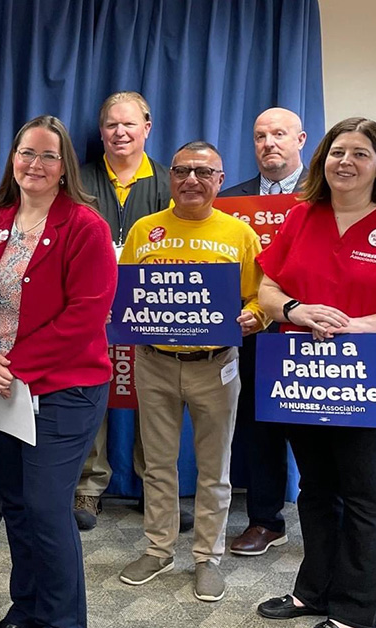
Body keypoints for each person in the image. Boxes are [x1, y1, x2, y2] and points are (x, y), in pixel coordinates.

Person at [255, 117, 376, 628]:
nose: (346, 162)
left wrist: (359, 325)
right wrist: (295, 309)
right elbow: (268, 291)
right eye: (338, 152)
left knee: (364, 495)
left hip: (374, 382)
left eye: (360, 153)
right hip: (304, 379)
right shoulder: (302, 217)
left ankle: (358, 612)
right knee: (316, 490)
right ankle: (313, 592)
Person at [0, 115, 116, 628]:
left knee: (46, 507)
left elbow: (85, 315)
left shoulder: (85, 226)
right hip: (0, 386)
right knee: (15, 503)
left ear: (63, 167)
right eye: (26, 153)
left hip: (64, 388)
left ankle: (61, 620)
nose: (35, 163)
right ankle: (26, 608)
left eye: (48, 155)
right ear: (12, 160)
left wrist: (14, 365)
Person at [116, 141, 267, 603]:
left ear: (220, 180)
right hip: (155, 362)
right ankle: (159, 549)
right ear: (170, 177)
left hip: (215, 364)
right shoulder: (145, 230)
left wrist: (255, 316)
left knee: (213, 469)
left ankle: (207, 557)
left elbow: (261, 297)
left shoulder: (239, 234)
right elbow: (125, 290)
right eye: (182, 171)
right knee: (158, 464)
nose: (191, 180)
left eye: (204, 173)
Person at [75, 91, 178, 531]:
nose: (120, 132)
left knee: (154, 399)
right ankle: (88, 490)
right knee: (91, 393)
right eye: (112, 125)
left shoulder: (171, 181)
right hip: (90, 310)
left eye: (129, 124)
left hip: (152, 310)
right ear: (101, 132)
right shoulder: (78, 178)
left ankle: (155, 491)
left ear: (147, 128)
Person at [220, 107, 308, 558]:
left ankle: (322, 519)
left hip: (311, 331)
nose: (268, 143)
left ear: (301, 140)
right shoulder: (230, 202)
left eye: (278, 134)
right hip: (252, 331)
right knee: (258, 428)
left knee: (319, 428)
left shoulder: (326, 194)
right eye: (259, 136)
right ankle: (265, 520)